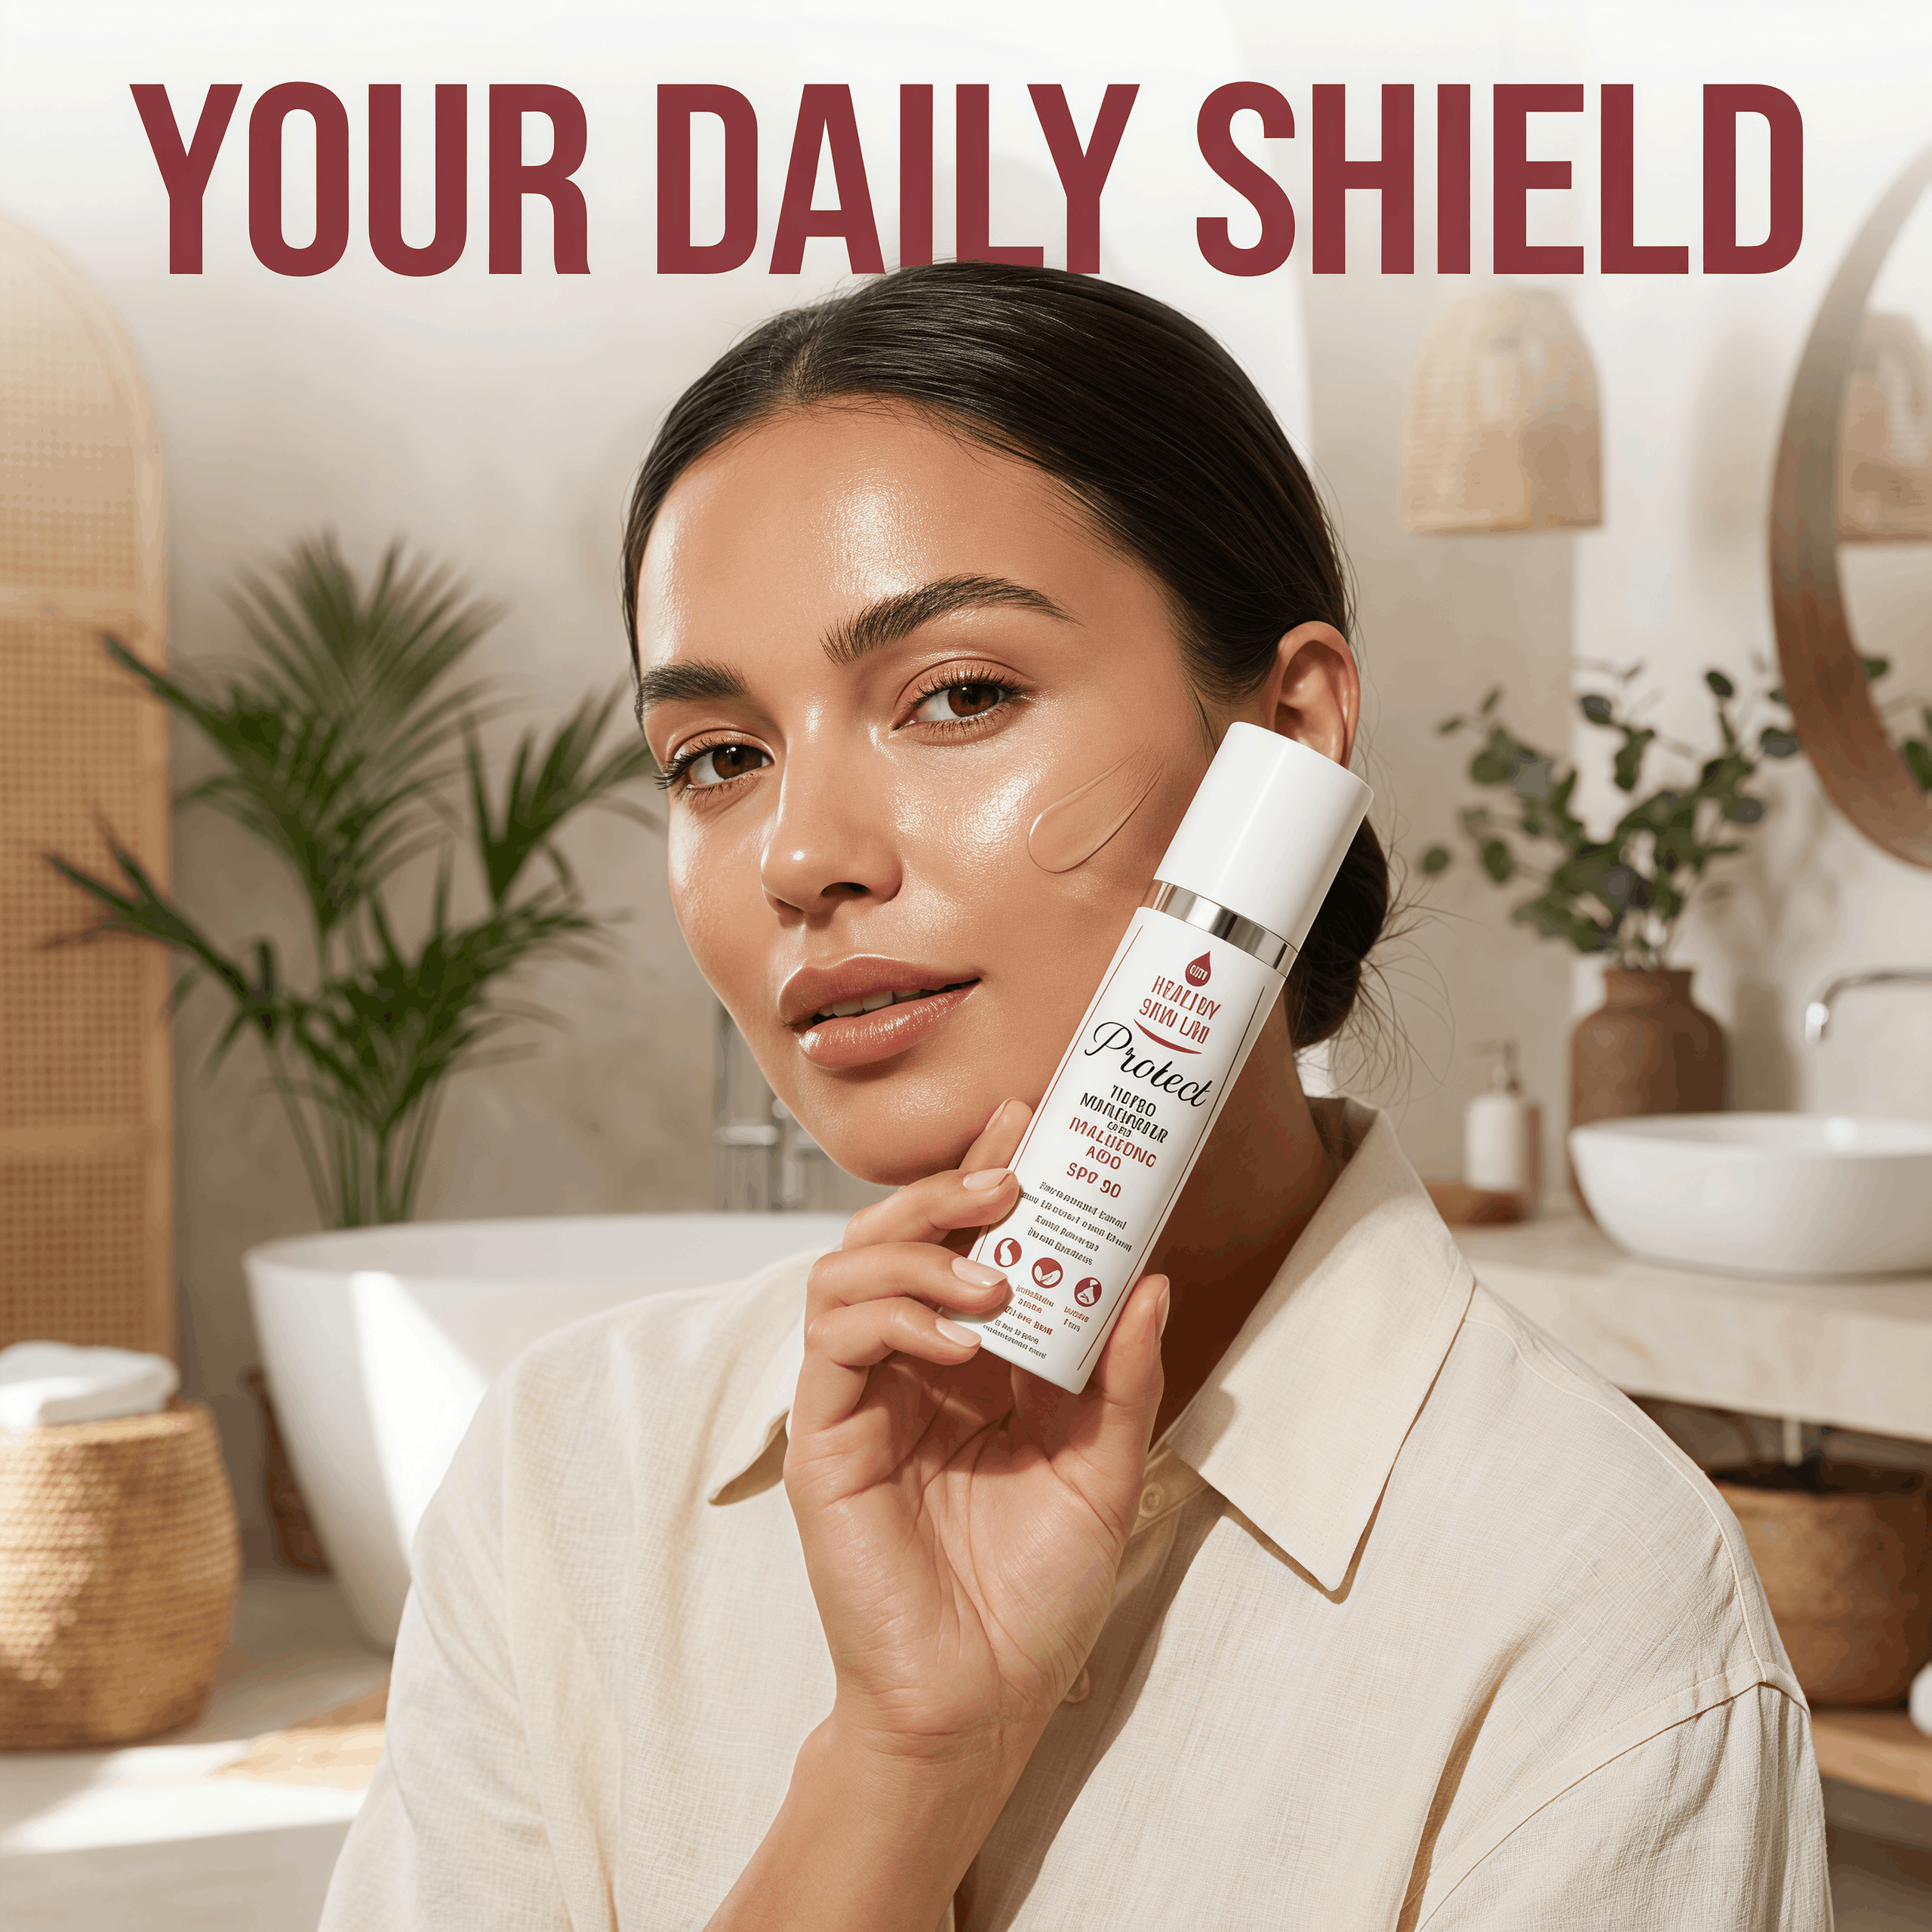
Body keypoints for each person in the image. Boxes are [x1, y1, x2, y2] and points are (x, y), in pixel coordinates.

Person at [321, 262, 1830, 1930]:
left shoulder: (1589, 1606)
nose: (803, 854)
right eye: (715, 758)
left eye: (956, 694)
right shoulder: (568, 1479)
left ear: (1288, 732)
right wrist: (898, 1763)